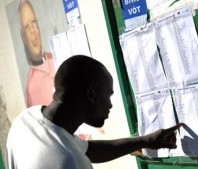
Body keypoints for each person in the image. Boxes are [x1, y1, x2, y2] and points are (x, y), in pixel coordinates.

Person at [6, 55, 182, 169]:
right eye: (108, 95)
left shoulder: (25, 120)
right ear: (90, 94)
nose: (110, 105)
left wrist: (146, 140)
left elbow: (89, 149)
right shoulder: (69, 161)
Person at [19, 0, 55, 107]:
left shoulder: (54, 56)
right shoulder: (32, 87)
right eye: (26, 27)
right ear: (23, 37)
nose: (32, 30)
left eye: (34, 22)